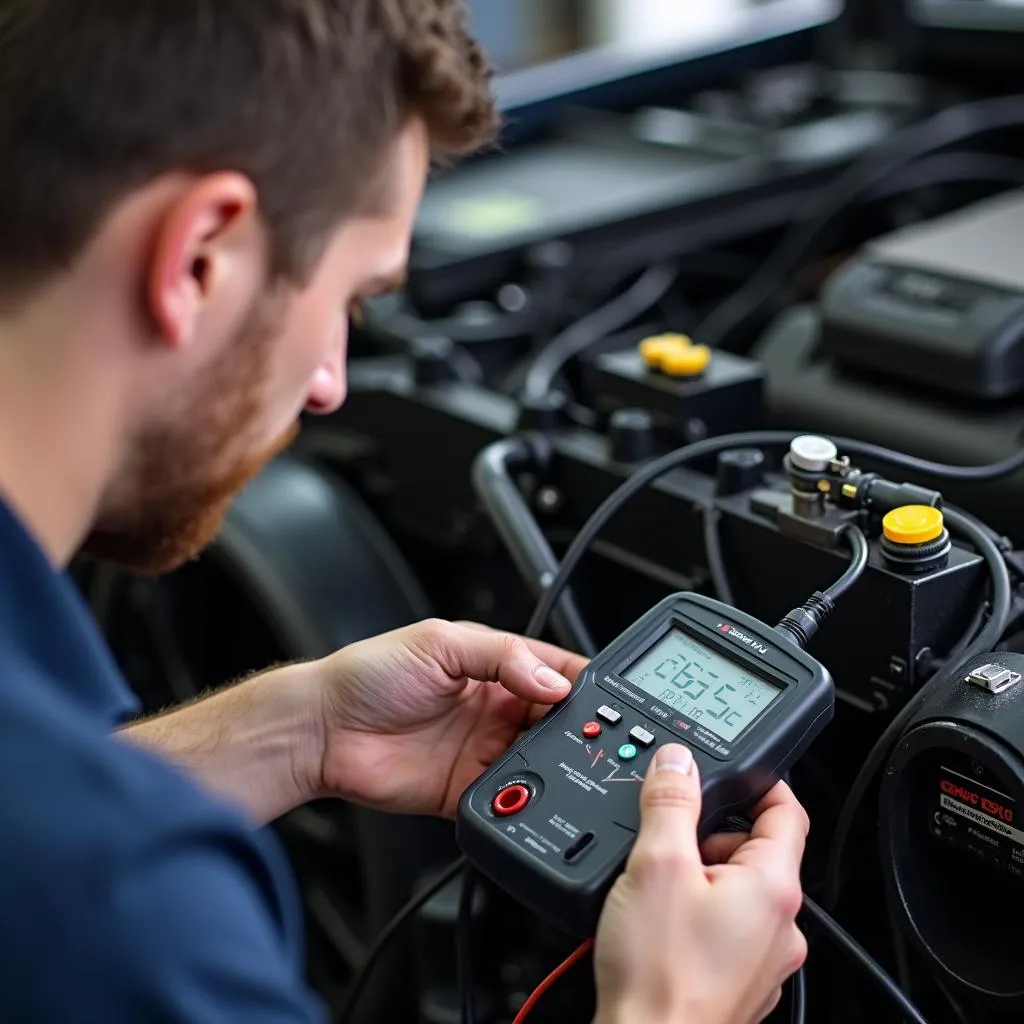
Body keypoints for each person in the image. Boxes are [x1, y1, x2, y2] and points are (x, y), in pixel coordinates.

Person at [0, 2, 809, 1021]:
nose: (333, 381)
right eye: (348, 295)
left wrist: (300, 732)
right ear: (199, 254)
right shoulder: (130, 922)